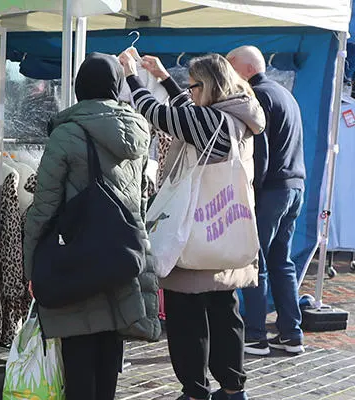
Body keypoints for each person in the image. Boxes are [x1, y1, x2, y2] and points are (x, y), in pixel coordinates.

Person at [122, 49, 263, 400]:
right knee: (225, 313)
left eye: (194, 86)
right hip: (224, 237)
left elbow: (158, 114)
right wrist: (165, 78)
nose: (191, 92)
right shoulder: (237, 117)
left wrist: (131, 76)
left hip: (193, 237)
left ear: (211, 86)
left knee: (187, 320)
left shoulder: (210, 123)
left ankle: (195, 391)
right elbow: (188, 113)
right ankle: (233, 388)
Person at [22, 53, 157, 400]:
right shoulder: (139, 131)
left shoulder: (66, 134)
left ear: (80, 88)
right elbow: (138, 201)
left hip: (76, 256)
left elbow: (44, 207)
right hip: (122, 252)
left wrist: (31, 266)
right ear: (116, 87)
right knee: (110, 350)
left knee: (79, 355)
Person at [227, 45, 307, 356]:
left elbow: (259, 154)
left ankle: (255, 336)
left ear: (244, 69)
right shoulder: (284, 94)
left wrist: (251, 190)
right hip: (294, 186)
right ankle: (291, 334)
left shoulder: (257, 97)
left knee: (255, 262)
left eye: (231, 69)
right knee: (280, 263)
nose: (229, 77)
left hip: (271, 189)